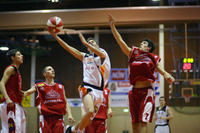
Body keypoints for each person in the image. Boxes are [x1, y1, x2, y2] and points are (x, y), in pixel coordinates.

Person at [108, 15, 175, 133]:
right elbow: (120, 41)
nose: (141, 44)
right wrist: (112, 26)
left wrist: (166, 75)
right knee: (134, 123)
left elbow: (159, 68)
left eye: (144, 43)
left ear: (149, 47)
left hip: (147, 92)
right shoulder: (133, 53)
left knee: (143, 122)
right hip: (133, 92)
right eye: (141, 43)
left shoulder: (152, 57)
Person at [48, 29, 111, 133]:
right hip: (87, 87)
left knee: (89, 120)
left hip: (100, 91)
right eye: (89, 43)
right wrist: (56, 37)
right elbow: (68, 48)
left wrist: (86, 42)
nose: (91, 44)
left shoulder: (102, 53)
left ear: (97, 45)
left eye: (93, 42)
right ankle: (78, 131)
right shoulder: (84, 57)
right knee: (90, 111)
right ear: (87, 48)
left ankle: (72, 129)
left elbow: (101, 54)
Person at [24, 66, 75, 133]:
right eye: (49, 69)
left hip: (58, 118)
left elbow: (66, 102)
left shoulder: (60, 87)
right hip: (45, 119)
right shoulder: (39, 86)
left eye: (53, 70)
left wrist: (70, 115)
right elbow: (27, 92)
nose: (52, 71)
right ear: (45, 74)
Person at [0, 49, 26, 133]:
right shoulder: (11, 68)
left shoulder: (16, 71)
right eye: (19, 54)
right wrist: (7, 98)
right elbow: (1, 83)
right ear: (13, 58)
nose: (21, 56)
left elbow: (14, 89)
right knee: (12, 130)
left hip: (16, 104)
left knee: (19, 130)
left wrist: (21, 106)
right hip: (10, 104)